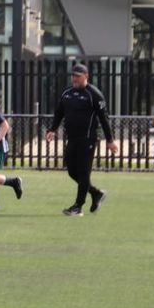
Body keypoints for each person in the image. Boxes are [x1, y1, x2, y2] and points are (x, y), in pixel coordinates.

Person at [46, 63, 118, 216]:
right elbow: (59, 112)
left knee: (84, 172)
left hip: (88, 139)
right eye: (73, 75)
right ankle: (96, 193)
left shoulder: (94, 94)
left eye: (78, 76)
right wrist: (52, 129)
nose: (74, 78)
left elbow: (104, 119)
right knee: (72, 170)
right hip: (72, 138)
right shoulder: (67, 93)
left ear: (86, 76)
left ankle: (78, 207)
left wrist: (110, 140)